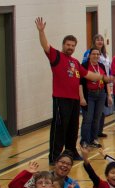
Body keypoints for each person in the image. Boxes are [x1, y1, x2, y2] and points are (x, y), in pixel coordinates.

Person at [35, 17, 102, 164]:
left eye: (73, 45)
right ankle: (54, 156)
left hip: (74, 100)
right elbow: (45, 45)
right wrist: (41, 31)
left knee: (73, 127)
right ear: (63, 45)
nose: (70, 47)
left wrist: (104, 77)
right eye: (68, 45)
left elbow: (88, 75)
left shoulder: (75, 62)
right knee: (59, 128)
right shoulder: (56, 56)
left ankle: (71, 151)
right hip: (61, 99)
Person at [80, 47, 110, 147]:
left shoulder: (101, 65)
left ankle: (94, 139)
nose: (96, 56)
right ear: (89, 55)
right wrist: (81, 98)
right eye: (93, 54)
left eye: (98, 54)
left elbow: (105, 81)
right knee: (88, 118)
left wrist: (109, 95)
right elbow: (79, 83)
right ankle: (84, 140)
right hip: (89, 95)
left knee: (97, 118)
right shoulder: (84, 66)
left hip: (101, 94)